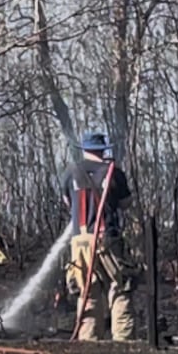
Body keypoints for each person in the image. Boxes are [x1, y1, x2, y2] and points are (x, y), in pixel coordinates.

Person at [60, 131, 137, 341]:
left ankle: (88, 341)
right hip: (107, 239)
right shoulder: (114, 172)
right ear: (103, 149)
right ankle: (123, 340)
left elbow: (68, 202)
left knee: (87, 292)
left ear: (84, 150)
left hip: (79, 242)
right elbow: (125, 203)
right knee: (121, 286)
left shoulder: (71, 172)